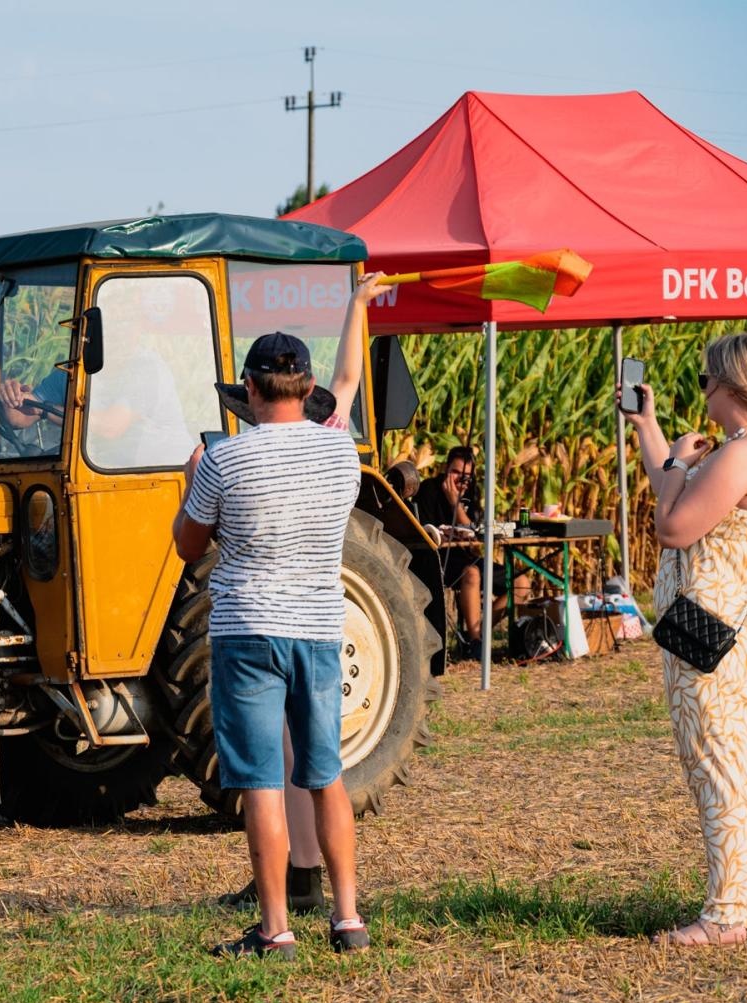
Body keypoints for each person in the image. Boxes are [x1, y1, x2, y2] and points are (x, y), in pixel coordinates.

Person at [173, 284, 385, 959]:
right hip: (319, 630)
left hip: (246, 631)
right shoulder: (338, 452)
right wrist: (356, 304)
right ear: (308, 387)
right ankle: (349, 920)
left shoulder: (225, 458)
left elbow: (188, 544)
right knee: (325, 776)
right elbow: (352, 378)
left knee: (262, 780)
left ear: (249, 388)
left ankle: (276, 930)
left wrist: (191, 483)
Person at [625, 332, 747, 946]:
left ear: (734, 384)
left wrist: (678, 461)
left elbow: (672, 525)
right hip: (731, 630)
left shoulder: (737, 456)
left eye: (707, 379)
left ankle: (729, 913)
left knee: (717, 766)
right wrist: (649, 429)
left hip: (713, 639)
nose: (702, 388)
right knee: (736, 764)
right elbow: (673, 489)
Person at [416, 445, 511, 647]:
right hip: (441, 559)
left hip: (468, 555)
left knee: (521, 583)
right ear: (446, 469)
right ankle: (476, 643)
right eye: (456, 473)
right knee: (472, 574)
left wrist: (456, 505)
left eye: (466, 476)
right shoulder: (429, 489)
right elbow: (425, 531)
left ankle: (475, 634)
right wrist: (451, 503)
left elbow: (475, 530)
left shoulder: (471, 492)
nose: (461, 480)